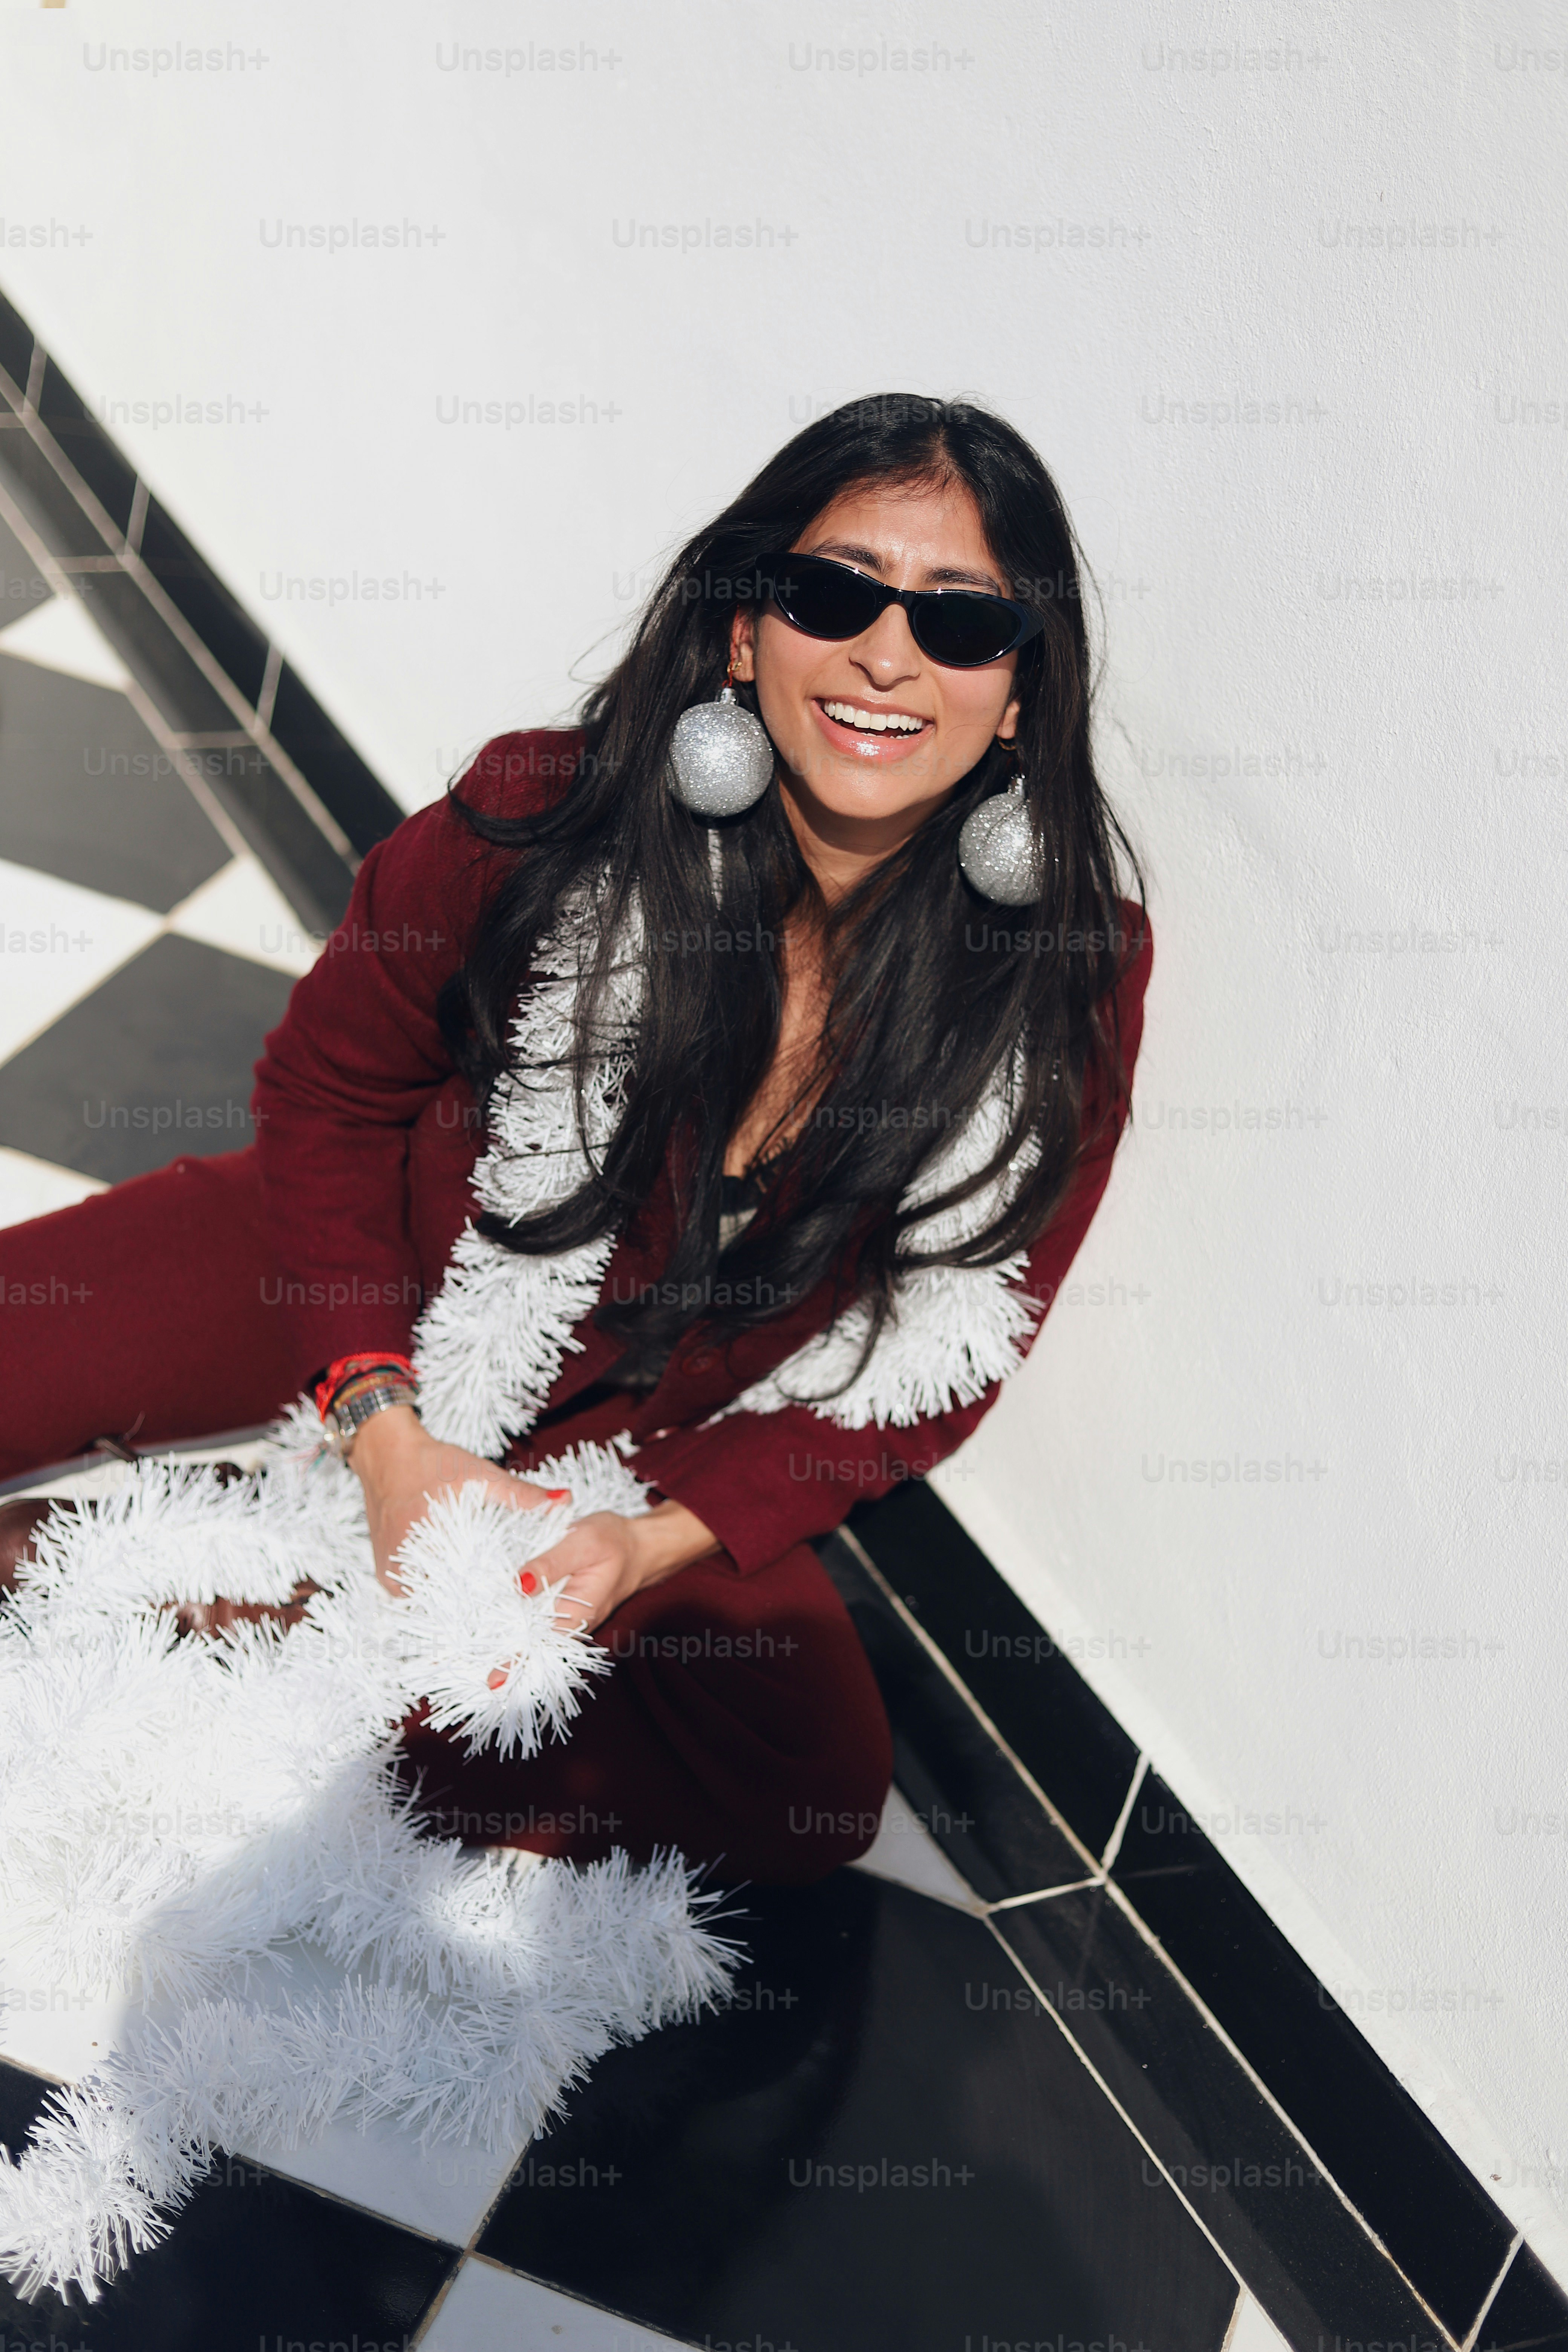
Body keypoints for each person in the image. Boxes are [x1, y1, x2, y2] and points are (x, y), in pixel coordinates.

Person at [0, 394, 1152, 1886]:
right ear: (745, 634)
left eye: (959, 623)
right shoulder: (545, 809)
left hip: (641, 1438)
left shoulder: (1068, 968)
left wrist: (647, 1546)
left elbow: (935, 1362)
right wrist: (384, 1427)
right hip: (369, 1271)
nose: (885, 654)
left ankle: (249, 1592)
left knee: (805, 1785)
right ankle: (296, 1539)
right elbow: (327, 1103)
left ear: (1018, 693)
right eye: (832, 593)